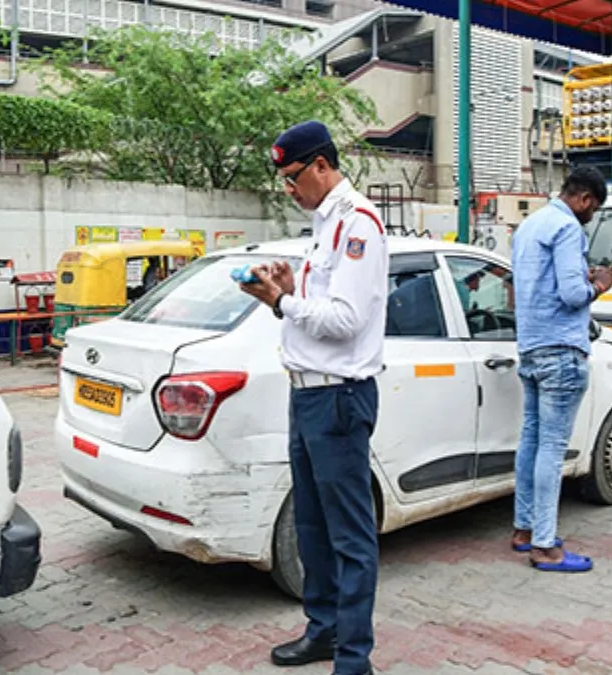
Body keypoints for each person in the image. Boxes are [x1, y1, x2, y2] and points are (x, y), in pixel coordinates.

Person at [238, 120, 388, 675]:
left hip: (339, 399)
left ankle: (354, 659)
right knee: (312, 528)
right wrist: (291, 288)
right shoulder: (324, 224)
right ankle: (323, 630)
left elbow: (347, 320)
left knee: (349, 536)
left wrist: (281, 302)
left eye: (293, 177)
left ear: (322, 166)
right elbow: (321, 305)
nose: (289, 189)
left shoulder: (359, 226)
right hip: (306, 396)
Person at [509, 166, 612, 573]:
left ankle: (523, 529)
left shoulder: (529, 225)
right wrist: (600, 284)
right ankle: (545, 545)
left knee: (531, 440)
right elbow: (573, 295)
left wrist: (580, 279)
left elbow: (533, 286)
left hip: (531, 346)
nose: (590, 218)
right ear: (585, 199)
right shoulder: (569, 228)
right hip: (562, 351)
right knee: (552, 449)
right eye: (593, 210)